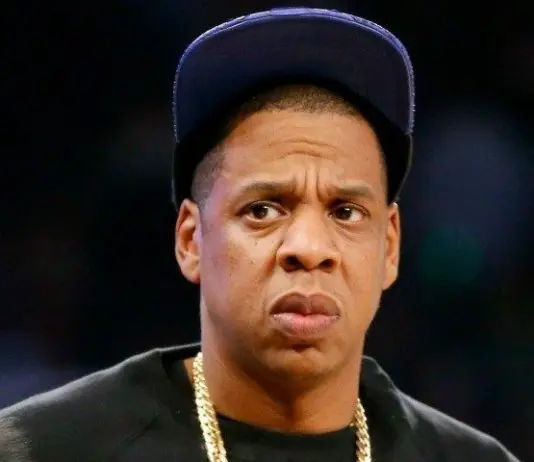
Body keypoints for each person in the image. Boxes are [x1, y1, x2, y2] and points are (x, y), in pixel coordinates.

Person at [0, 7, 521, 462]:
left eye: (345, 212)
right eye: (263, 210)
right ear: (190, 240)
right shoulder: (42, 449)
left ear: (389, 247)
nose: (309, 249)